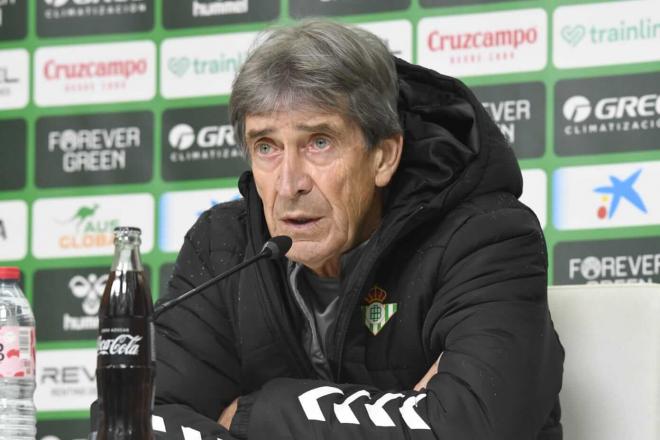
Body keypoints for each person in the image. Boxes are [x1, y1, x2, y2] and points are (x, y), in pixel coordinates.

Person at [153, 19, 564, 440]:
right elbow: (138, 417)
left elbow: (471, 429)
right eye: (266, 147)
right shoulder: (222, 245)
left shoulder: (487, 239)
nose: (289, 183)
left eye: (319, 142)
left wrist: (254, 416)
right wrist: (406, 413)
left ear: (383, 156)